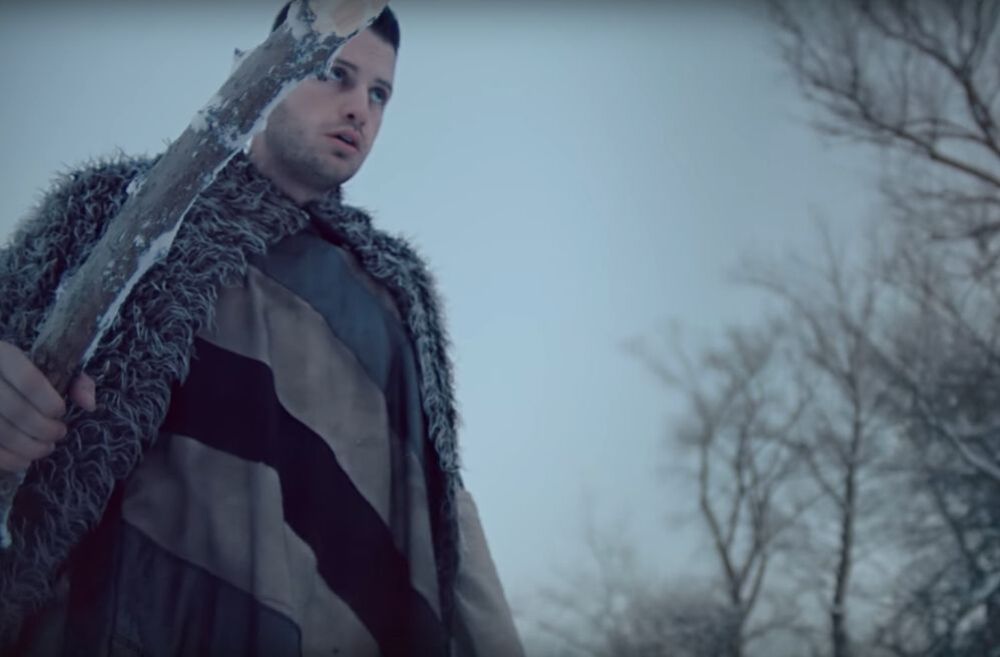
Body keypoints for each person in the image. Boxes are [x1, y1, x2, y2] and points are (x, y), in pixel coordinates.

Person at [0, 5, 523, 655]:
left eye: (379, 93)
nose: (359, 108)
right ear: (253, 71)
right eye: (336, 73)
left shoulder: (395, 292)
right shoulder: (113, 208)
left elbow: (442, 507)